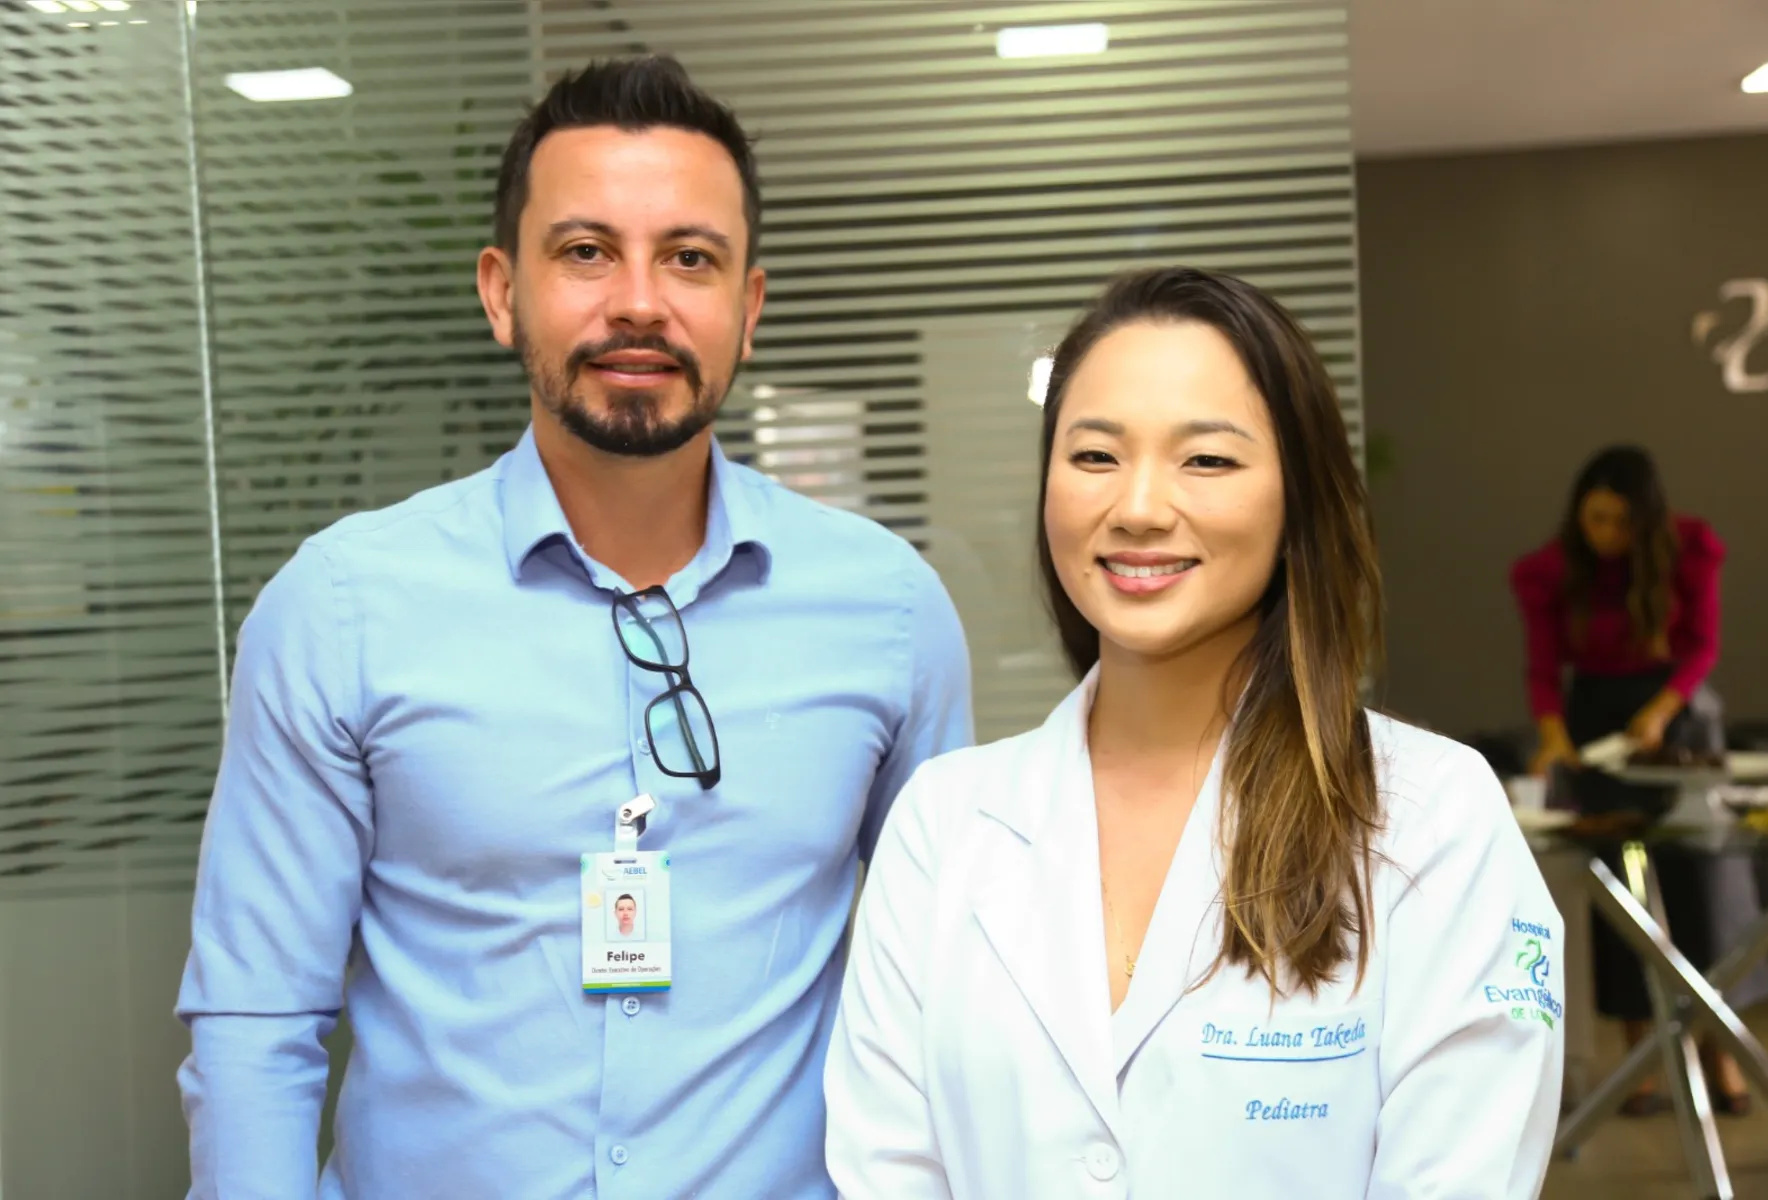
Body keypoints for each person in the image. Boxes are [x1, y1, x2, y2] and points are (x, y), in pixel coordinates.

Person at [176, 55, 972, 1200]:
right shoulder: (340, 609)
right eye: (586, 251)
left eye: (689, 258)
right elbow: (257, 1023)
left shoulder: (891, 615)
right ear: (503, 292)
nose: (639, 300)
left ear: (747, 308)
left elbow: (942, 1003)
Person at [824, 267, 1563, 1199]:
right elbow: (887, 1168)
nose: (1136, 507)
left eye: (1205, 460)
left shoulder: (1429, 816)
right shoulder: (942, 824)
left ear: (1299, 498)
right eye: (1094, 456)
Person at [1511, 445, 1767, 1116]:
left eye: (1619, 523)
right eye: (1593, 520)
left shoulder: (1690, 549)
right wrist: (1552, 737)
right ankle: (1644, 1065)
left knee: (1702, 896)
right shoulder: (1549, 572)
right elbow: (1543, 671)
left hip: (1676, 721)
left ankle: (1722, 1063)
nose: (1605, 536)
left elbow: (1700, 647)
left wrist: (1659, 713)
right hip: (1597, 723)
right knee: (1629, 897)